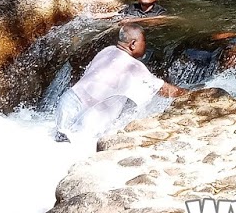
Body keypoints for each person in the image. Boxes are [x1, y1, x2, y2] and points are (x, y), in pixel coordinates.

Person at [55, 24, 185, 147]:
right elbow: (164, 90)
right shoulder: (134, 66)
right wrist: (192, 93)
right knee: (80, 147)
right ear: (133, 44)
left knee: (59, 144)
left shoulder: (107, 51)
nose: (146, 45)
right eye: (144, 42)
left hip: (68, 103)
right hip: (90, 115)